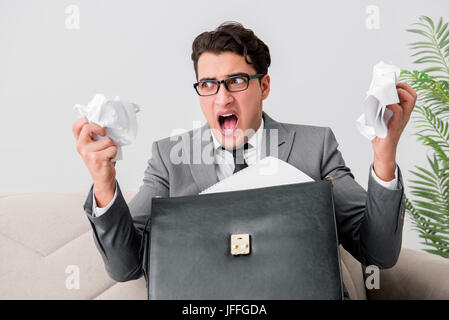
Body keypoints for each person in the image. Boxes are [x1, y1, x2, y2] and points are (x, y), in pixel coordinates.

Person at [71, 22, 417, 297]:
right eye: (208, 84)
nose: (222, 99)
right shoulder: (169, 159)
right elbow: (125, 267)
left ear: (263, 86)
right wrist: (104, 182)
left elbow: (378, 253)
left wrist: (384, 157)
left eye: (235, 81)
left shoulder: (315, 146)